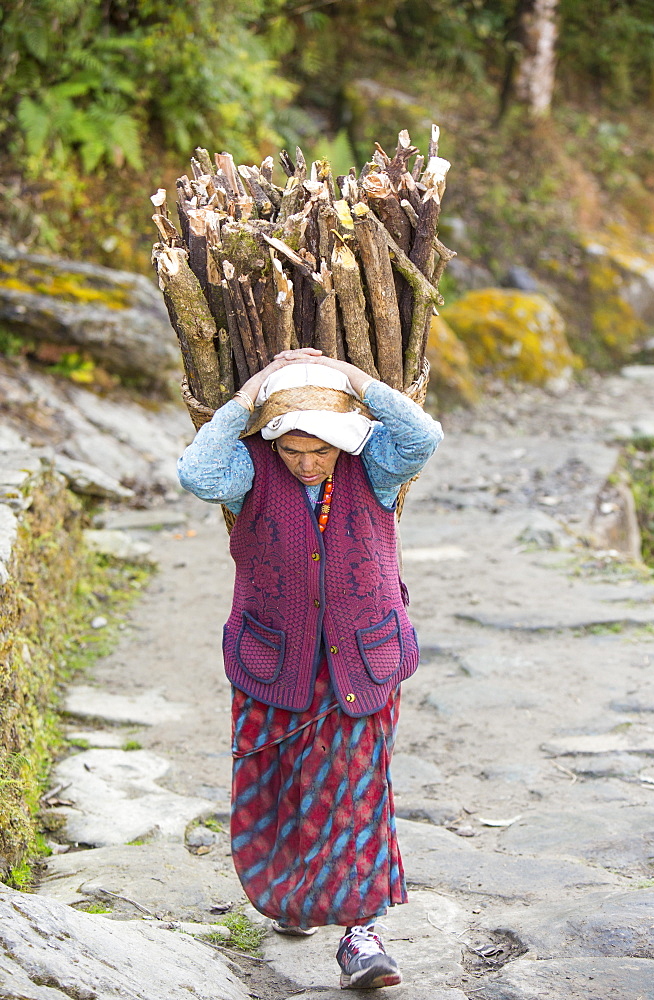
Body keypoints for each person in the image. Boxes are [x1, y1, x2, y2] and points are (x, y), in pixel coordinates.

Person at [177, 347, 443, 990]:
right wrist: (248, 398)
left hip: (361, 662)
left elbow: (423, 434)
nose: (305, 462)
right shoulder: (250, 472)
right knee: (282, 786)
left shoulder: (374, 467)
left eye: (319, 450)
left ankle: (361, 936)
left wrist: (357, 384)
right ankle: (299, 895)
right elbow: (195, 471)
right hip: (275, 664)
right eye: (293, 449)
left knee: (357, 792)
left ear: (343, 442)